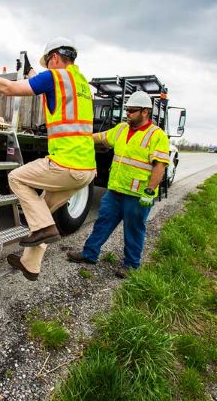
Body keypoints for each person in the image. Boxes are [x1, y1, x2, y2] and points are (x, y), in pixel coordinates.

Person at [0, 37, 96, 281]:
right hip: (87, 170)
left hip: (65, 164)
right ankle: (30, 265)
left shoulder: (54, 77)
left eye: (48, 63)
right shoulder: (81, 83)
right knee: (42, 211)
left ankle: (43, 229)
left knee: (16, 178)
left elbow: (9, 89)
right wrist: (29, 71)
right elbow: (41, 81)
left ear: (55, 58)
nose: (47, 68)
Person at [66, 90, 170, 277]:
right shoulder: (122, 129)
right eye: (127, 110)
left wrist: (149, 191)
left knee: (134, 231)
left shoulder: (157, 135)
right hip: (115, 191)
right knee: (102, 223)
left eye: (131, 111)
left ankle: (131, 266)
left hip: (137, 195)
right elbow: (101, 137)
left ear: (145, 112)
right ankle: (90, 254)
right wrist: (80, 137)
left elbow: (159, 166)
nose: (127, 114)